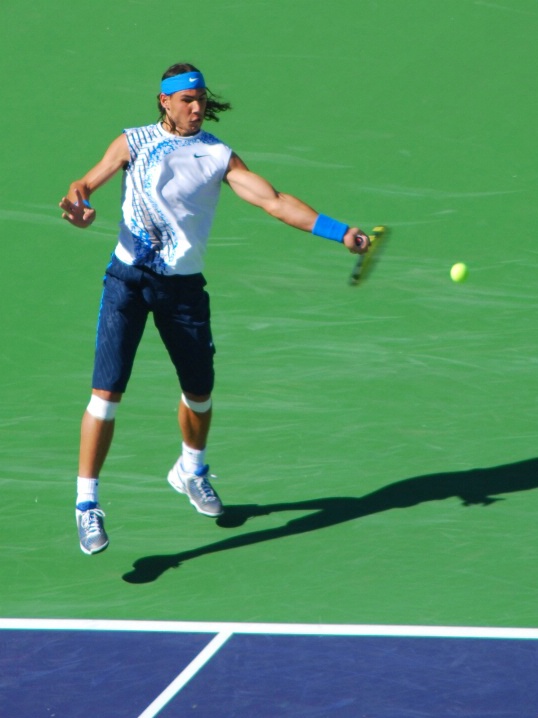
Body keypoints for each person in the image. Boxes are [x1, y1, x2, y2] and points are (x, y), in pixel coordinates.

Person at [59, 62, 370, 556]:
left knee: (199, 394)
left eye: (201, 98)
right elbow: (83, 184)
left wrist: (340, 231)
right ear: (164, 101)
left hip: (182, 291)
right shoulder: (133, 142)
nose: (198, 107)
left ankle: (191, 469)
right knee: (105, 396)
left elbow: (273, 200)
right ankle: (86, 504)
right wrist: (78, 205)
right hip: (129, 282)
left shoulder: (217, 155)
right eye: (187, 100)